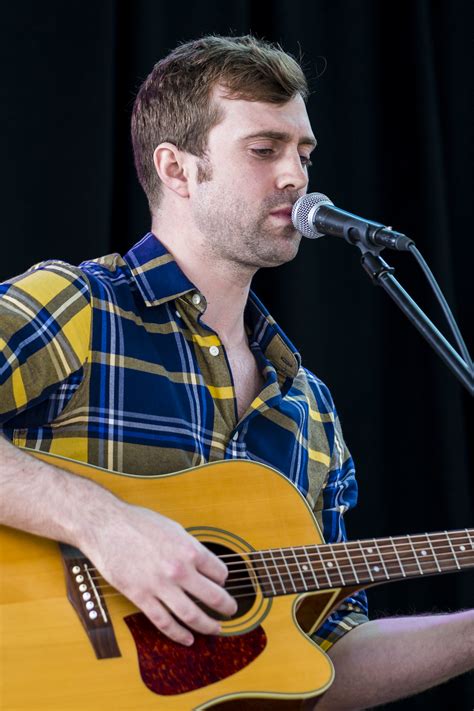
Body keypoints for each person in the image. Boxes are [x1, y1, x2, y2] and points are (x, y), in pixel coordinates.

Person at [0, 35, 472, 710]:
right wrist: (103, 523)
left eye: (303, 153)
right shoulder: (79, 307)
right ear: (178, 169)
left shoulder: (307, 408)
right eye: (264, 150)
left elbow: (324, 660)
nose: (296, 177)